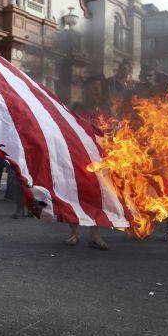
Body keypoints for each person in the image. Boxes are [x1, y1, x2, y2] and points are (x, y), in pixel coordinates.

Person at [67, 74, 110, 250]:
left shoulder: (104, 112)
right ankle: (74, 233)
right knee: (74, 195)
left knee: (97, 198)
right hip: (78, 158)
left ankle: (95, 235)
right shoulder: (75, 109)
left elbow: (110, 133)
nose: (95, 92)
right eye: (93, 88)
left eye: (98, 89)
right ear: (85, 90)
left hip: (99, 160)